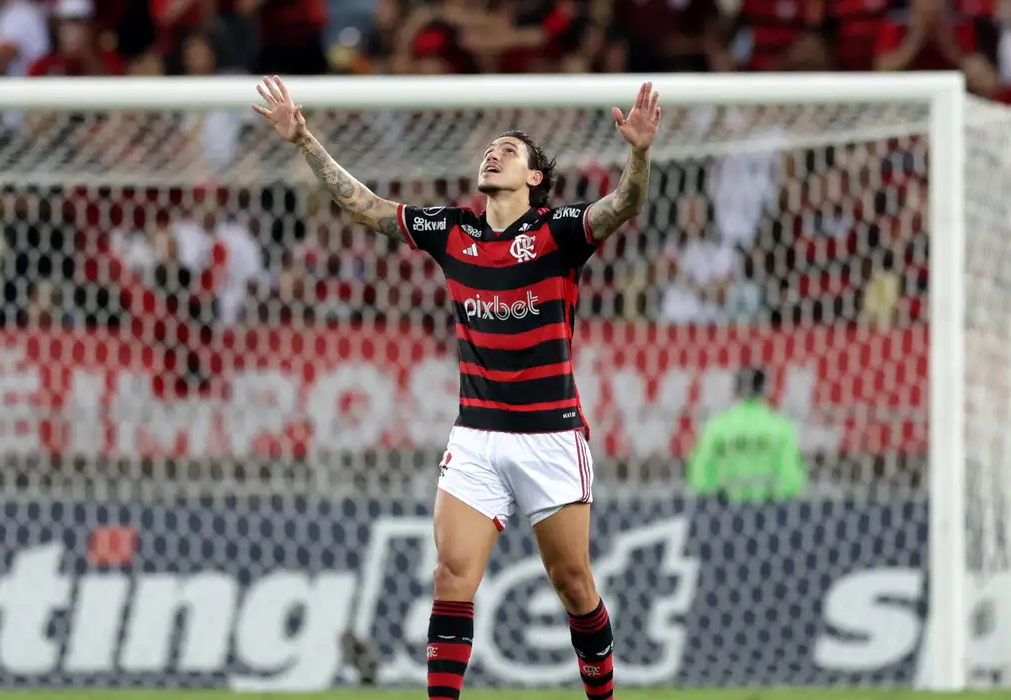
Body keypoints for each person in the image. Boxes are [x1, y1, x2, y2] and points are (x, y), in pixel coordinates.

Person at [253, 74, 659, 700]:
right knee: (451, 576)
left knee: (575, 584)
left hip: (549, 436)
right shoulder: (453, 230)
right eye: (490, 148)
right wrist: (305, 140)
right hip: (476, 437)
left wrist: (639, 154)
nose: (493, 154)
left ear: (533, 178)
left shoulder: (557, 233)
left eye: (509, 150)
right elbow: (366, 206)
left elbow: (623, 204)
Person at [687, 367, 808, 503]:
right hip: (768, 505)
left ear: (735, 390)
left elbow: (700, 475)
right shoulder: (780, 427)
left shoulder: (717, 427)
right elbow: (791, 479)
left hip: (726, 505)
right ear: (765, 390)